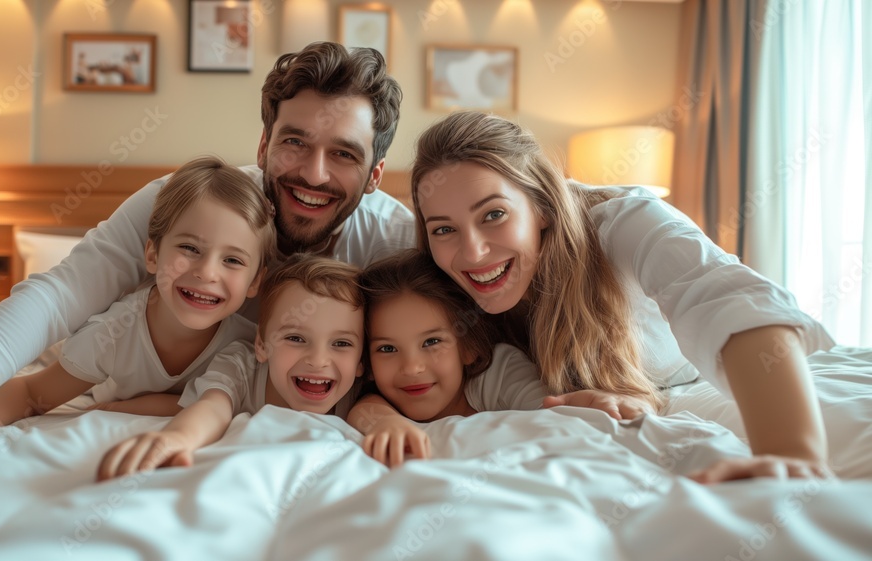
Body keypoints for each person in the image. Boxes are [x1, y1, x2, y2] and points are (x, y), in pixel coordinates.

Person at [0, 42, 414, 444]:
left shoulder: (396, 242)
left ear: (375, 174)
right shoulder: (183, 204)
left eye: (344, 154)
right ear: (263, 145)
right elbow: (56, 298)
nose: (313, 173)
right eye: (294, 142)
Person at [406, 110, 835, 482]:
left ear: (542, 206)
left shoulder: (626, 223)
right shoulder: (438, 285)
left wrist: (790, 454)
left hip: (693, 381)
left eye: (494, 214)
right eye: (444, 228)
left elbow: (733, 301)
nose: (472, 251)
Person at [0, 156, 276, 437]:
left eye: (232, 260)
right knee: (62, 350)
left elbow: (226, 401)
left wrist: (137, 407)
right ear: (152, 255)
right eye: (189, 248)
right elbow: (32, 392)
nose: (207, 273)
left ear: (254, 282)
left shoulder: (244, 343)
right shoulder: (112, 335)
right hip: (93, 354)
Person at [97, 254, 365, 480]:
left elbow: (379, 414)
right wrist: (177, 438)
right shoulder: (241, 365)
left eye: (341, 343)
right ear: (261, 344)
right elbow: (211, 407)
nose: (318, 360)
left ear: (362, 360)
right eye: (295, 338)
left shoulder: (357, 395)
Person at [347, 250, 548, 467]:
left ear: (468, 346)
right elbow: (365, 408)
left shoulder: (498, 373)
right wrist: (386, 423)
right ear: (366, 362)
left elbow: (549, 411)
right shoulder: (377, 398)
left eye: (432, 342)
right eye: (387, 348)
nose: (412, 368)